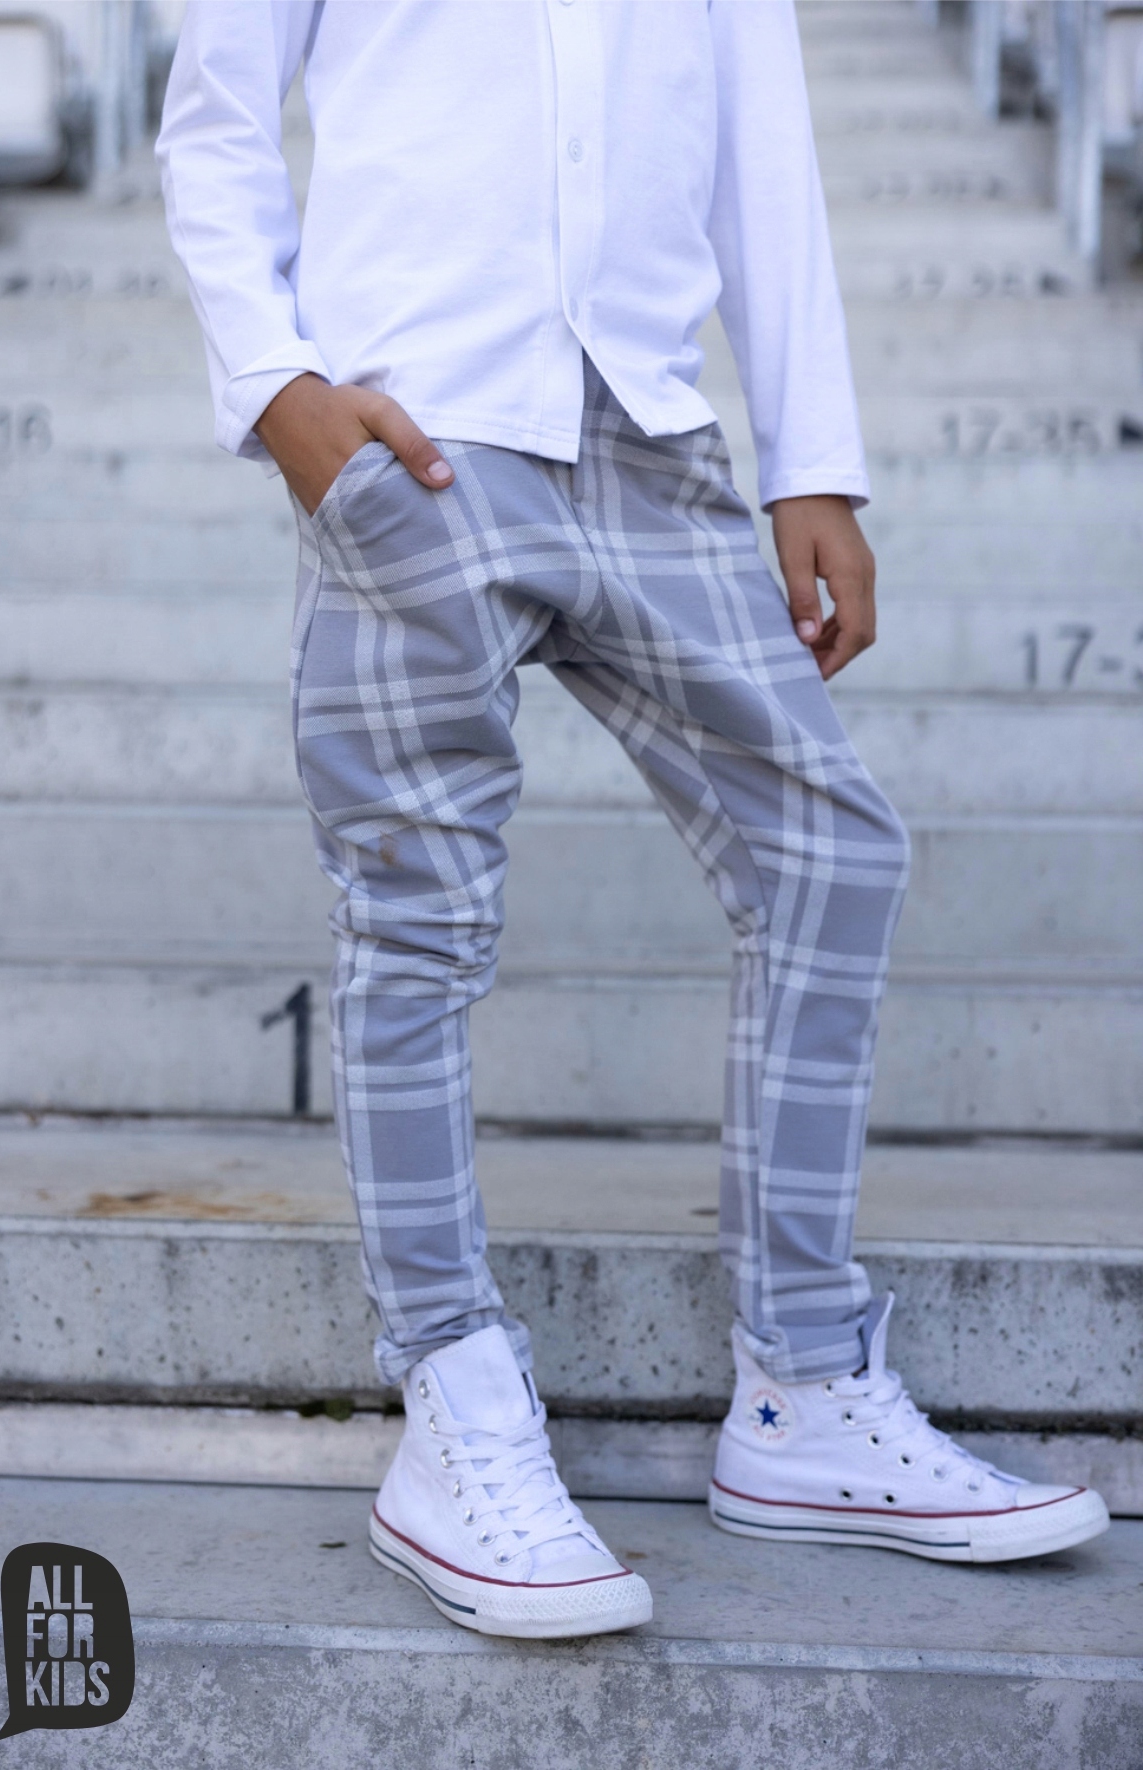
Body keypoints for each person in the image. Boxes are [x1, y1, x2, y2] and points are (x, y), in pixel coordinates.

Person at [157, 0, 1108, 1640]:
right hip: (419, 431)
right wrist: (278, 388)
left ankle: (805, 1385)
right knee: (415, 916)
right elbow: (216, 112)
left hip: (651, 437)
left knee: (829, 848)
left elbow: (760, 140)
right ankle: (451, 1392)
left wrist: (812, 459)